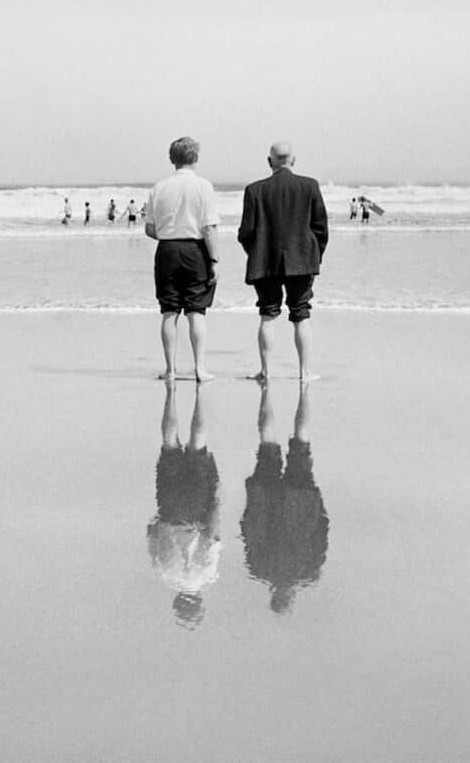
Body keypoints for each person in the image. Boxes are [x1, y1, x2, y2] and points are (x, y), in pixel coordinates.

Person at [237, 141, 328, 382]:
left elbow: (245, 233)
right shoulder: (309, 186)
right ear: (293, 160)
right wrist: (314, 256)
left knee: (267, 314)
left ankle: (265, 371)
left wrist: (256, 252)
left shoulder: (254, 190)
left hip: (265, 261)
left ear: (270, 162)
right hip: (301, 260)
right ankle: (304, 372)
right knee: (301, 314)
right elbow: (320, 229)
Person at [240, 383, 328, 614]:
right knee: (270, 444)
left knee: (300, 443)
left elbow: (322, 530)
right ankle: (299, 387)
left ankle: (279, 388)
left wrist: (317, 504)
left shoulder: (306, 570)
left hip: (298, 499)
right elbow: (247, 527)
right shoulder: (264, 569)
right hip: (279, 498)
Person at [144, 136, 220, 382]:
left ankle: (170, 370)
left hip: (167, 249)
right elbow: (209, 227)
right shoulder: (203, 186)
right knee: (196, 312)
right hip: (195, 249)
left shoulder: (159, 188)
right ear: (195, 158)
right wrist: (215, 259)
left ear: (171, 159)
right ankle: (199, 368)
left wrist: (170, 234)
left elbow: (150, 229)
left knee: (169, 311)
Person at [147, 382, 220, 628]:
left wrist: (216, 497)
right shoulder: (164, 574)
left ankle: (190, 394)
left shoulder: (205, 575)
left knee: (197, 448)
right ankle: (173, 394)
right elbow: (151, 531)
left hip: (194, 511)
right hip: (170, 507)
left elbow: (213, 532)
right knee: (170, 443)